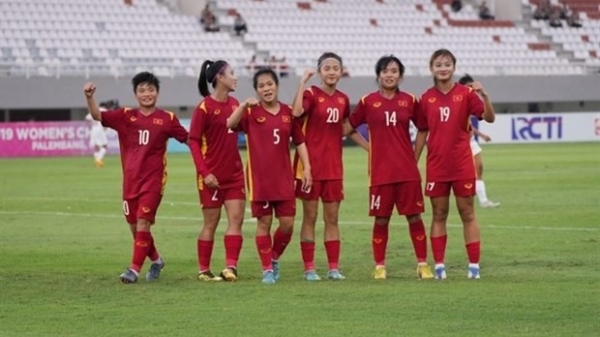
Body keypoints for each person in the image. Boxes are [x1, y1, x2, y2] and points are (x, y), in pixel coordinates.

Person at [83, 72, 189, 284]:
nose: (147, 94)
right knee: (136, 229)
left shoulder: (167, 119)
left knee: (143, 223)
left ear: (157, 92)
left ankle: (134, 270)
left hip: (154, 182)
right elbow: (97, 116)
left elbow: (189, 139)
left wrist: (207, 161)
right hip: (130, 183)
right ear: (135, 94)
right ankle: (157, 261)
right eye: (142, 90)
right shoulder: (125, 116)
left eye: (151, 89)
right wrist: (89, 97)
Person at [343, 55, 434, 280]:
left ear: (400, 75)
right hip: (380, 173)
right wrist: (369, 148)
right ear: (378, 75)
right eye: (385, 71)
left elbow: (423, 128)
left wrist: (415, 155)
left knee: (414, 217)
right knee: (381, 219)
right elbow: (347, 127)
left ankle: (422, 264)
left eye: (394, 71)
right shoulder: (367, 101)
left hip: (407, 172)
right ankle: (380, 266)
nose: (389, 74)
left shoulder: (411, 100)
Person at [414, 49, 496, 280]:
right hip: (437, 166)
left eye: (447, 64)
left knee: (467, 213)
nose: (443, 68)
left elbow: (489, 118)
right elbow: (422, 131)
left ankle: (474, 267)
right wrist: (414, 161)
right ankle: (440, 267)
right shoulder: (426, 98)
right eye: (438, 64)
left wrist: (485, 96)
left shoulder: (467, 94)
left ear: (453, 67)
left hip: (461, 165)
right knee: (438, 214)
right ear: (431, 68)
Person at [226, 68, 313, 284]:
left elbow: (300, 141)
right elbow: (229, 124)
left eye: (269, 84)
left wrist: (308, 168)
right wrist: (244, 105)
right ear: (256, 90)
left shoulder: (288, 112)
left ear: (277, 85)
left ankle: (273, 257)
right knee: (264, 222)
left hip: (284, 178)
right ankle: (266, 269)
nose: (266, 89)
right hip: (260, 180)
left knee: (287, 224)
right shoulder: (250, 113)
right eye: (261, 86)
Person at [291, 52, 369, 281]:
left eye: (336, 68)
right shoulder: (311, 94)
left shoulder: (343, 99)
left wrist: (370, 148)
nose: (332, 71)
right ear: (320, 72)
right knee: (310, 217)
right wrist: (302, 82)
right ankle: (309, 268)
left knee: (332, 218)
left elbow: (346, 128)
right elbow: (295, 113)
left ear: (341, 72)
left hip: (334, 168)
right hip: (310, 169)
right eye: (327, 68)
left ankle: (334, 268)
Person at [189, 59, 246, 282]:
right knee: (210, 223)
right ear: (220, 78)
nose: (235, 77)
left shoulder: (235, 104)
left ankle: (230, 267)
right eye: (232, 73)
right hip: (211, 177)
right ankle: (204, 270)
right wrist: (205, 173)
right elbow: (193, 142)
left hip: (234, 176)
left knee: (236, 220)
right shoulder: (204, 108)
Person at [458, 74, 500, 208]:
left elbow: (470, 123)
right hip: (458, 144)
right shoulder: (456, 101)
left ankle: (483, 201)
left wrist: (481, 135)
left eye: (473, 87)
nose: (472, 90)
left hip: (470, 141)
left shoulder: (471, 100)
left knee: (479, 168)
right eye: (469, 87)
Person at [85, 101, 109, 167]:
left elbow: (87, 118)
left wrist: (90, 127)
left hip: (93, 129)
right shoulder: (105, 110)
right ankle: (98, 159)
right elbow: (107, 119)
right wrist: (105, 127)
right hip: (100, 129)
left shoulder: (95, 110)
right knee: (104, 145)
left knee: (96, 146)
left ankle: (96, 161)